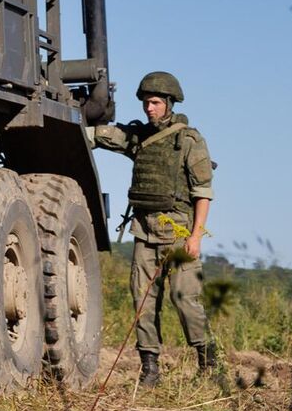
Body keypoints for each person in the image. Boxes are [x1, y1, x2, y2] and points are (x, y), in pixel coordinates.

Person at [90, 70, 216, 387]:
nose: (150, 108)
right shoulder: (141, 138)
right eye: (147, 102)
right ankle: (150, 369)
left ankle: (208, 361)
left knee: (185, 299)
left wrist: (196, 237)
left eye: (156, 102)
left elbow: (203, 193)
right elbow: (99, 135)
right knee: (142, 302)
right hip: (144, 233)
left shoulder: (189, 141)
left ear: (170, 103)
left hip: (178, 232)